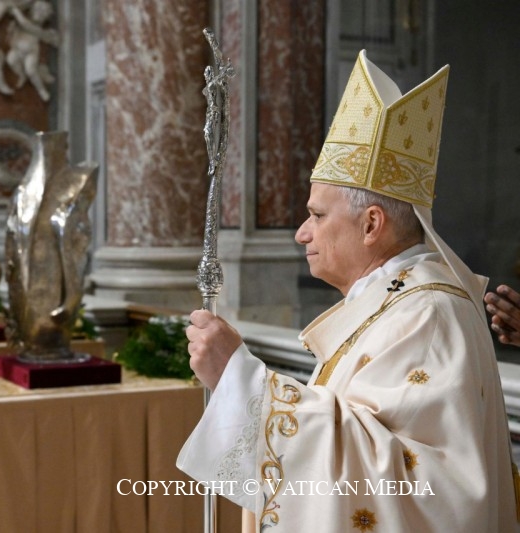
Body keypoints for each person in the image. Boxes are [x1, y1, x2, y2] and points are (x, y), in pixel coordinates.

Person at [178, 50, 519, 532]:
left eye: (317, 215)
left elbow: (422, 487)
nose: (301, 232)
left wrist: (247, 386)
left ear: (371, 225)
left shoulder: (427, 314)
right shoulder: (391, 303)